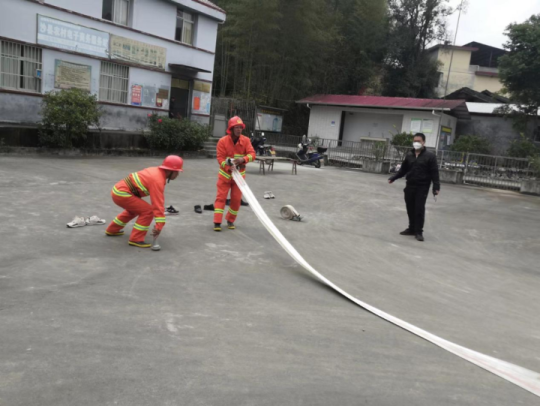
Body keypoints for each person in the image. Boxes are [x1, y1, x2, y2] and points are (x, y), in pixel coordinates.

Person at [105, 155, 183, 248]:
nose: (178, 175)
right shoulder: (157, 180)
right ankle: (136, 239)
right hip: (122, 193)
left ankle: (112, 230)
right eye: (177, 172)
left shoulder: (156, 171)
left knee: (134, 210)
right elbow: (157, 204)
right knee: (148, 211)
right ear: (170, 171)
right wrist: (159, 225)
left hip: (118, 191)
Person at [388, 133, 440, 242]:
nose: (416, 143)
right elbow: (403, 170)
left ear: (423, 142)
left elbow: (434, 173)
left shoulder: (430, 156)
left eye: (419, 141)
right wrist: (394, 178)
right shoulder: (409, 155)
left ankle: (419, 232)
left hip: (422, 186)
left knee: (419, 209)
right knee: (410, 208)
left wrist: (436, 187)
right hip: (410, 185)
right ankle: (411, 228)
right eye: (415, 141)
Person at [213, 116, 256, 231]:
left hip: (239, 177)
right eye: (236, 127)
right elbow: (220, 158)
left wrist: (243, 159)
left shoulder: (246, 140)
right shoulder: (222, 141)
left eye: (240, 127)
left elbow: (252, 154)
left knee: (236, 200)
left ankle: (230, 220)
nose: (239, 129)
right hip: (225, 176)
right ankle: (217, 222)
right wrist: (228, 167)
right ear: (231, 129)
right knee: (221, 198)